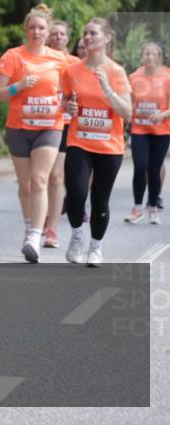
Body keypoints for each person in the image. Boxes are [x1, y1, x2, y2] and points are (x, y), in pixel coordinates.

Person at [0, 5, 68, 263]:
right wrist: (19, 86)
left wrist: (71, 103)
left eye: (41, 28)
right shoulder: (13, 56)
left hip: (49, 127)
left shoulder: (60, 60)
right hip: (19, 128)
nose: (36, 31)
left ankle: (36, 235)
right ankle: (29, 226)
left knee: (39, 181)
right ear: (25, 30)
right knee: (24, 186)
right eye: (32, 27)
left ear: (48, 32)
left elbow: (73, 88)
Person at [62, 18, 132, 266]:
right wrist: (68, 106)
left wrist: (108, 90)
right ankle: (77, 236)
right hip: (79, 140)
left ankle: (96, 247)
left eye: (93, 33)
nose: (88, 37)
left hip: (109, 145)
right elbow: (65, 102)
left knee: (100, 199)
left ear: (106, 38)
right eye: (86, 33)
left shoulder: (116, 72)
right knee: (76, 193)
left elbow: (127, 112)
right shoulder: (72, 71)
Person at [41, 20, 79, 248]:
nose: (57, 37)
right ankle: (41, 219)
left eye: (61, 34)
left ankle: (52, 229)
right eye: (53, 34)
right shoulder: (39, 60)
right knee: (41, 178)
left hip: (65, 124)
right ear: (48, 38)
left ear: (67, 38)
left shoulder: (74, 63)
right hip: (42, 124)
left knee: (56, 176)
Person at [126, 42, 169, 225]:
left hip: (162, 130)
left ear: (159, 57)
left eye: (154, 54)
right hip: (139, 129)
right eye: (147, 54)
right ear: (141, 57)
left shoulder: (167, 77)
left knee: (154, 168)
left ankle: (152, 207)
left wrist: (163, 115)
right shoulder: (134, 77)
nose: (150, 57)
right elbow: (128, 103)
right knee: (140, 166)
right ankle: (136, 208)